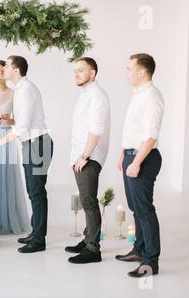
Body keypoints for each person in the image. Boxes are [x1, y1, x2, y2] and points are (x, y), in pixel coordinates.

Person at [0, 56, 53, 253]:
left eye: (7, 66)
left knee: (37, 192)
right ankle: (35, 231)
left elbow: (24, 125)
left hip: (38, 144)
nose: (3, 69)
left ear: (17, 70)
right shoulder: (20, 89)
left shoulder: (27, 89)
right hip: (30, 143)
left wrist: (1, 141)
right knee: (32, 190)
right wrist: (9, 120)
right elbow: (22, 121)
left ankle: (39, 240)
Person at [116, 53, 165, 278]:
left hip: (143, 159)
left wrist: (136, 161)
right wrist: (123, 155)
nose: (127, 72)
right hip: (131, 156)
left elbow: (150, 136)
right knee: (136, 209)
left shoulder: (151, 96)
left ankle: (150, 262)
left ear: (142, 71)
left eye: (129, 68)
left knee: (145, 210)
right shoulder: (137, 95)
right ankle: (139, 249)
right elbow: (132, 132)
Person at [66, 57, 111, 264]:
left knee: (89, 202)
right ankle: (87, 240)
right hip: (80, 156)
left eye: (80, 71)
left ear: (92, 73)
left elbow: (96, 129)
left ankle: (93, 250)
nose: (76, 74)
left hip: (89, 157)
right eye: (75, 71)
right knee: (86, 200)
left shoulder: (97, 96)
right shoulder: (85, 95)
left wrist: (85, 156)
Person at [0, 60, 30, 235]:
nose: (2, 72)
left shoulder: (14, 93)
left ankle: (8, 218)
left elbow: (18, 120)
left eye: (4, 69)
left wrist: (7, 119)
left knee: (7, 174)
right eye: (0, 69)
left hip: (6, 135)